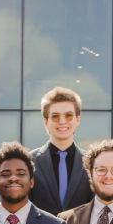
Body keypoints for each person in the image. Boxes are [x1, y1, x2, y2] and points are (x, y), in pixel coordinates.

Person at [29, 87, 93, 216]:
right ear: (46, 122)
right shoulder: (29, 160)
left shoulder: (92, 161)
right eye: (55, 116)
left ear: (77, 119)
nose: (62, 121)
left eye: (69, 115)